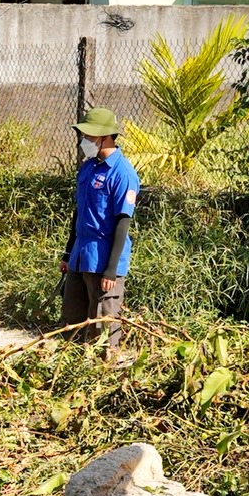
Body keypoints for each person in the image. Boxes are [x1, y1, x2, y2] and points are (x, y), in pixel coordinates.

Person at [63, 107, 139, 348]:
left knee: (102, 328)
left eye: (88, 136)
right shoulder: (89, 167)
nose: (84, 141)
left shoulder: (122, 173)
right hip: (80, 256)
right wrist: (68, 253)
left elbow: (123, 222)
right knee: (72, 322)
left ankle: (106, 367)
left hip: (103, 259)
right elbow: (79, 212)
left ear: (104, 137)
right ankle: (73, 365)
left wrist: (111, 270)